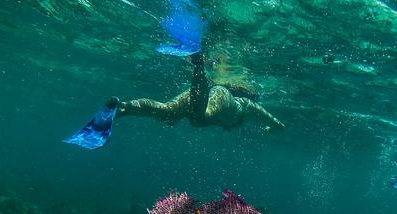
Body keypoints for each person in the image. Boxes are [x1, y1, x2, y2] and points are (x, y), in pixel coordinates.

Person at [64, 52, 284, 149]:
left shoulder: (243, 103)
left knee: (167, 111)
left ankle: (121, 108)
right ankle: (199, 66)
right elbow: (276, 122)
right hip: (218, 97)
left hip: (204, 95)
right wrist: (270, 127)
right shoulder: (247, 105)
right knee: (199, 119)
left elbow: (274, 123)